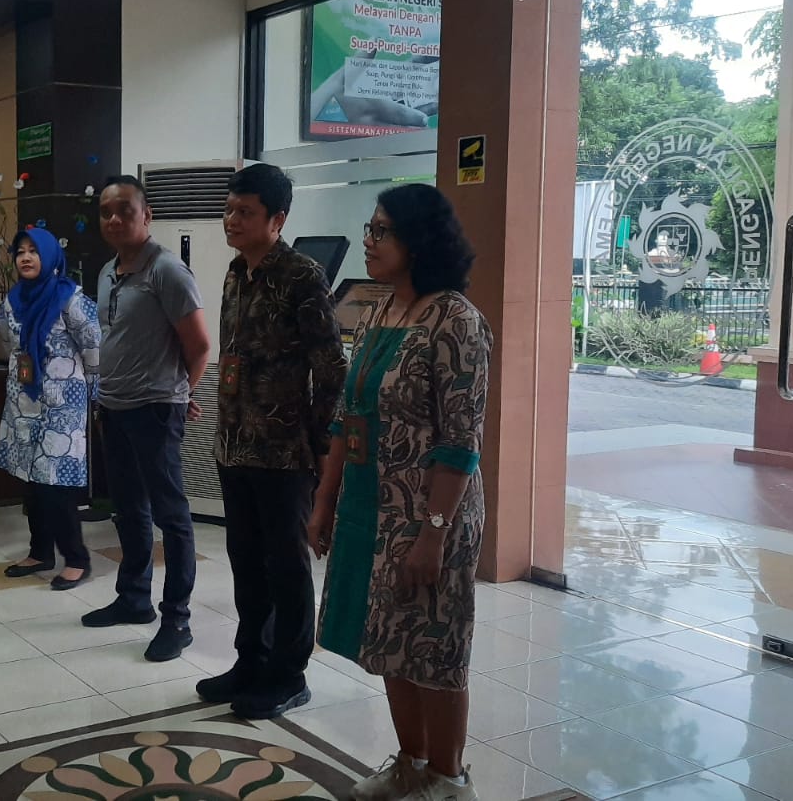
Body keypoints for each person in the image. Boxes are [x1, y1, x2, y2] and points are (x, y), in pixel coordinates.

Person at [311, 184, 489, 801]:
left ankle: (449, 777)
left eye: (382, 230)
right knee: (389, 639)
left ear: (419, 240)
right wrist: (325, 502)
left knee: (434, 644)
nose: (369, 240)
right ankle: (411, 763)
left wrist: (433, 535)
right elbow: (346, 417)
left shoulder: (456, 321)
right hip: (372, 506)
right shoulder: (380, 310)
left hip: (429, 515)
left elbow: (460, 442)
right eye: (370, 228)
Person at [197, 164, 346, 720]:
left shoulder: (303, 276)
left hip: (284, 450)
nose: (231, 221)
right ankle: (250, 661)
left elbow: (330, 368)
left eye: (245, 212)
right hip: (235, 444)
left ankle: (288, 674)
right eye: (229, 210)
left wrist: (323, 447)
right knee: (245, 561)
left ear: (277, 219)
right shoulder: (236, 272)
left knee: (286, 566)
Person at [83, 175, 211, 664]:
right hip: (114, 407)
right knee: (128, 508)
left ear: (147, 215)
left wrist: (181, 393)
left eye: (125, 210)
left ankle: (176, 620)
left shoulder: (167, 270)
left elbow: (199, 345)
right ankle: (134, 598)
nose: (114, 219)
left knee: (171, 517)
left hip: (155, 409)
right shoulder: (107, 271)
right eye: (106, 212)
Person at [0, 228, 100, 590]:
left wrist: (95, 396)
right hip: (24, 402)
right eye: (20, 252)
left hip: (62, 407)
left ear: (51, 257)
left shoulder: (71, 300)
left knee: (57, 484)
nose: (25, 258)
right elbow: (7, 345)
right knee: (32, 482)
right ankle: (40, 552)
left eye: (33, 251)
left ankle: (77, 559)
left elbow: (95, 349)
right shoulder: (13, 300)